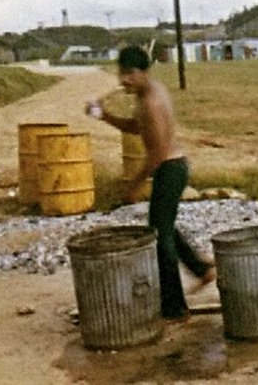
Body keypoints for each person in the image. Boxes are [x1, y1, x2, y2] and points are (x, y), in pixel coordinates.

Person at [86, 45, 215, 322]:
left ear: (144, 72)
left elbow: (156, 154)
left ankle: (175, 308)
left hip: (170, 168)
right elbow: (136, 127)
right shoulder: (151, 92)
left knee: (160, 236)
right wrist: (105, 116)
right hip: (172, 167)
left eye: (130, 74)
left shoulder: (151, 103)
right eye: (121, 74)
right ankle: (202, 270)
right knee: (163, 224)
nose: (124, 80)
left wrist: (133, 185)